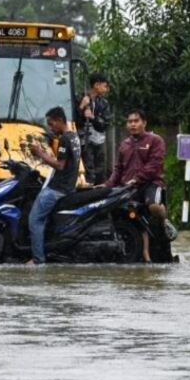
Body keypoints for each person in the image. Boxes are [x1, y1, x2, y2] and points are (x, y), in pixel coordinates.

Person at [102, 109, 177, 263]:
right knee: (132, 216)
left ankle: (165, 221)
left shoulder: (155, 140)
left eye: (136, 121)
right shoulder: (124, 144)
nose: (133, 124)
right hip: (129, 187)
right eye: (130, 121)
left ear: (144, 123)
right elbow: (118, 169)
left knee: (153, 206)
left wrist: (137, 179)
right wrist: (107, 185)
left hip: (151, 184)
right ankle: (145, 256)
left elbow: (155, 165)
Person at [26, 106, 81, 265]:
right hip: (69, 187)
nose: (50, 127)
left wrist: (40, 153)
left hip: (57, 189)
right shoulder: (74, 137)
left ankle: (38, 260)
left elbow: (60, 165)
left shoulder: (64, 139)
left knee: (34, 220)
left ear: (59, 120)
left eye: (51, 123)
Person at [75, 73, 110, 185]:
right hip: (83, 141)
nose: (106, 89)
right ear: (96, 85)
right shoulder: (79, 99)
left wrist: (93, 118)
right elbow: (73, 121)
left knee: (100, 168)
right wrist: (81, 107)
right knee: (87, 168)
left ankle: (100, 188)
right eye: (105, 86)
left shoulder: (103, 103)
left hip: (99, 141)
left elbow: (105, 123)